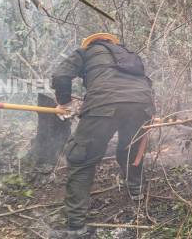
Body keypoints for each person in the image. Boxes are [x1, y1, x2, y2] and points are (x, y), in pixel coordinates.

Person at [51, 33, 154, 238]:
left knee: (81, 159)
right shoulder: (129, 54)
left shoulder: (85, 52)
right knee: (130, 149)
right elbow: (146, 83)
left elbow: (61, 75)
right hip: (142, 105)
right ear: (111, 43)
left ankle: (76, 226)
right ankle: (137, 192)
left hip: (103, 106)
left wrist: (64, 102)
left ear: (90, 43)